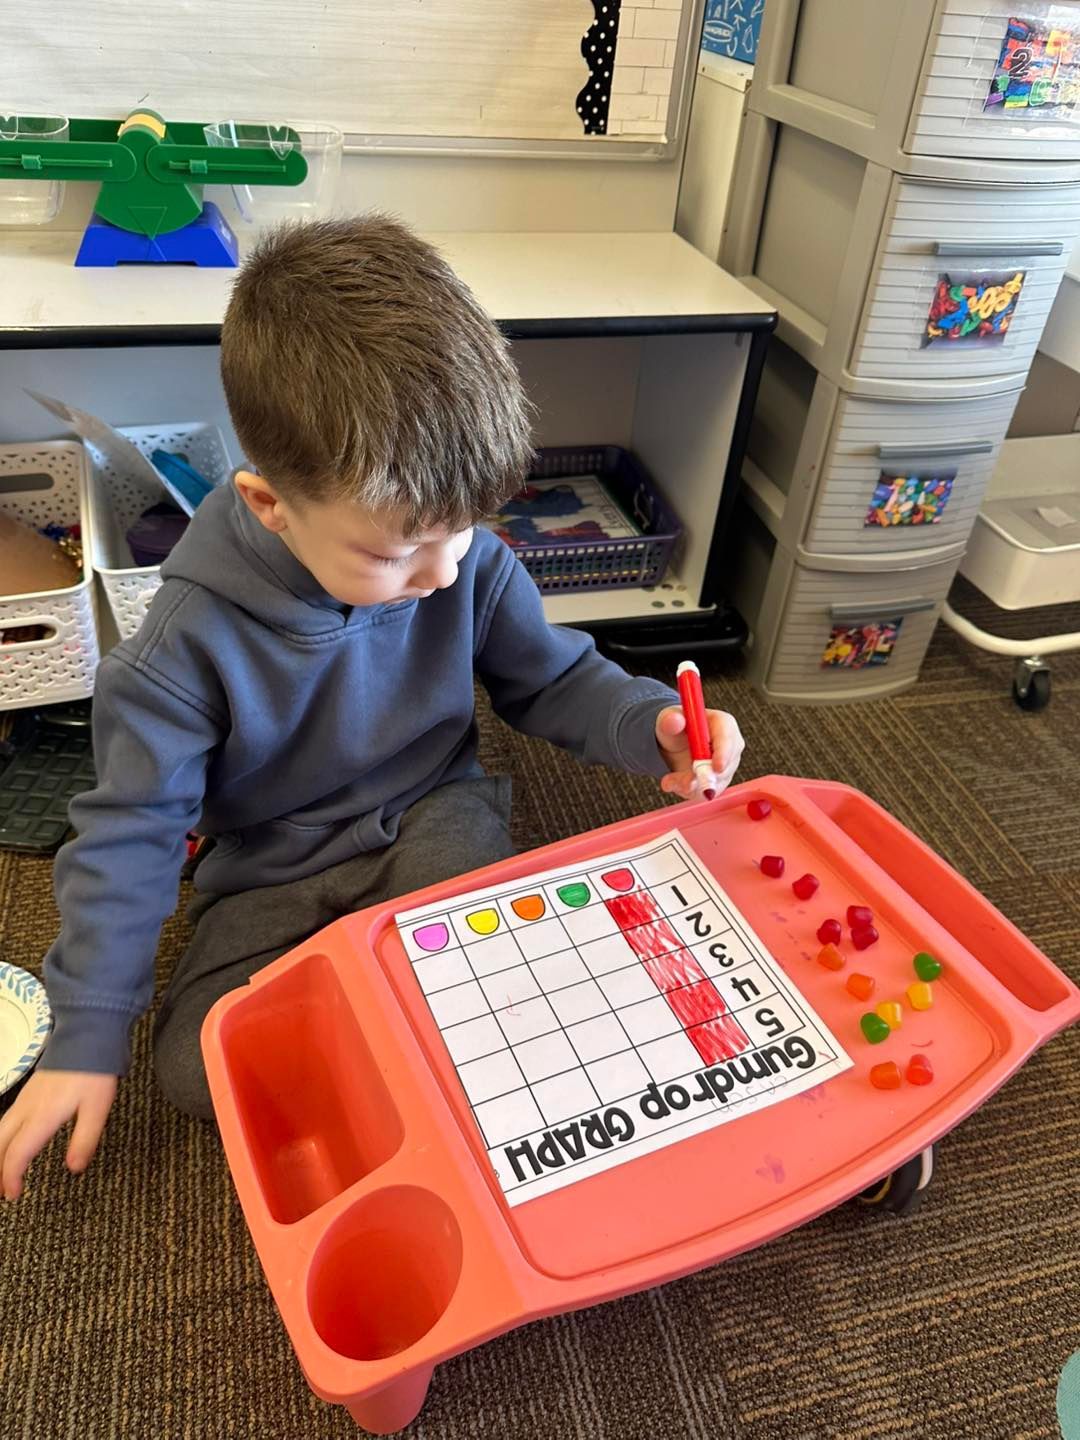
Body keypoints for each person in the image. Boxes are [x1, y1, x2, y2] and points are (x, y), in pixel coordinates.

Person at [0, 215, 743, 1200]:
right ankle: (401, 1035)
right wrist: (86, 1034)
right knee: (194, 1071)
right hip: (270, 870)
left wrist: (644, 720)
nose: (443, 574)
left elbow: (553, 677)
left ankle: (408, 1033)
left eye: (463, 534)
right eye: (397, 552)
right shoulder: (178, 648)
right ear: (270, 506)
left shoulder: (454, 557)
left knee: (501, 977)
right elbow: (131, 838)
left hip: (434, 815)